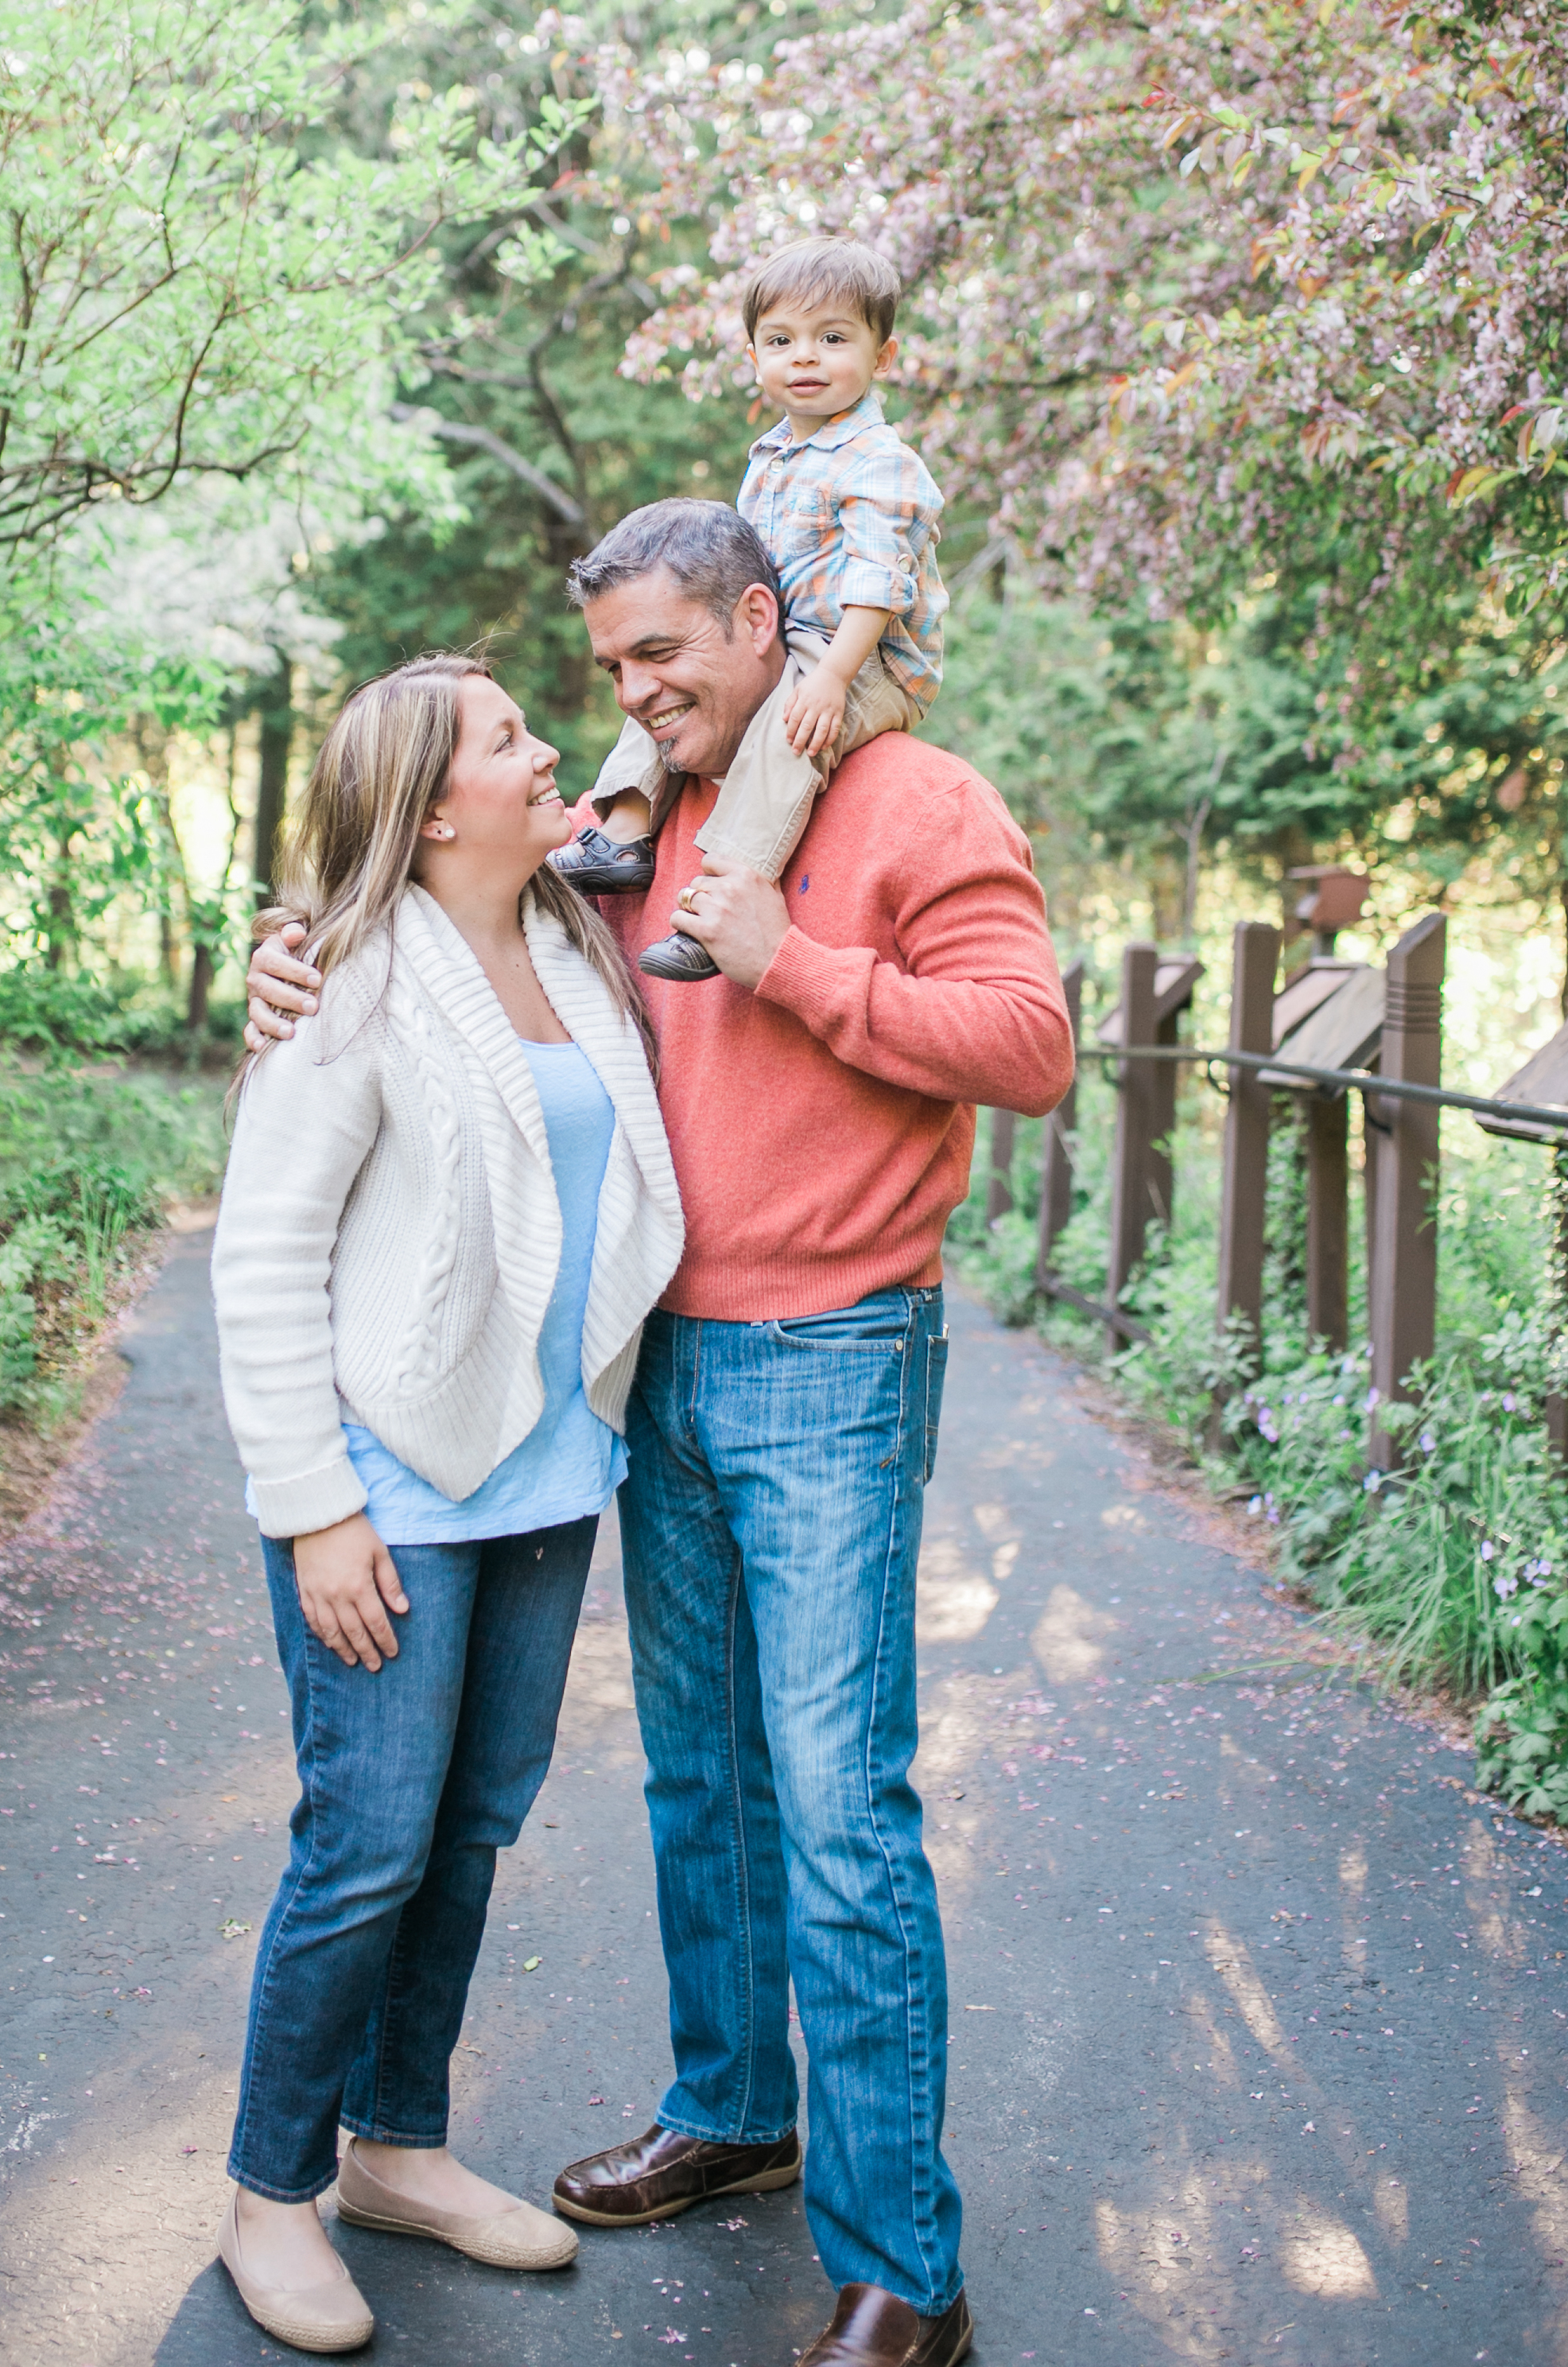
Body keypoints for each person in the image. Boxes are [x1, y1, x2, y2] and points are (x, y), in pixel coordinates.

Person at [247, 504, 1074, 2367]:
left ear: (764, 622)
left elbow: (1029, 1043)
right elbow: (425, 932)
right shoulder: (635, 826)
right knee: (696, 1776)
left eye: (660, 658)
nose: (629, 696)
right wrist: (285, 953)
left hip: (834, 1350)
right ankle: (733, 2108)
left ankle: (899, 2268)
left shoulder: (915, 799)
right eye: (608, 668)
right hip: (653, 1369)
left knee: (841, 1808)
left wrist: (795, 958)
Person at [210, 652, 682, 2354]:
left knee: (469, 1833)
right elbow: (261, 1259)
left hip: (547, 1482)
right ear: (427, 809)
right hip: (384, 1494)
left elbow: (688, 725)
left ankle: (397, 2147)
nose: (545, 744)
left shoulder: (576, 938)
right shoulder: (341, 982)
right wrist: (312, 1507)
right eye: (504, 736)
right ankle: (272, 2196)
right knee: (363, 1848)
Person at [553, 237, 946, 981]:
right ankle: (625, 836)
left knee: (789, 733)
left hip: (868, 656)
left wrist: (831, 679)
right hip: (798, 640)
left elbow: (877, 585)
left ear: (882, 356)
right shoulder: (771, 457)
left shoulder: (881, 460)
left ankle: (729, 894)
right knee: (655, 694)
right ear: (754, 356)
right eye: (781, 341)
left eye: (833, 339)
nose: (805, 357)